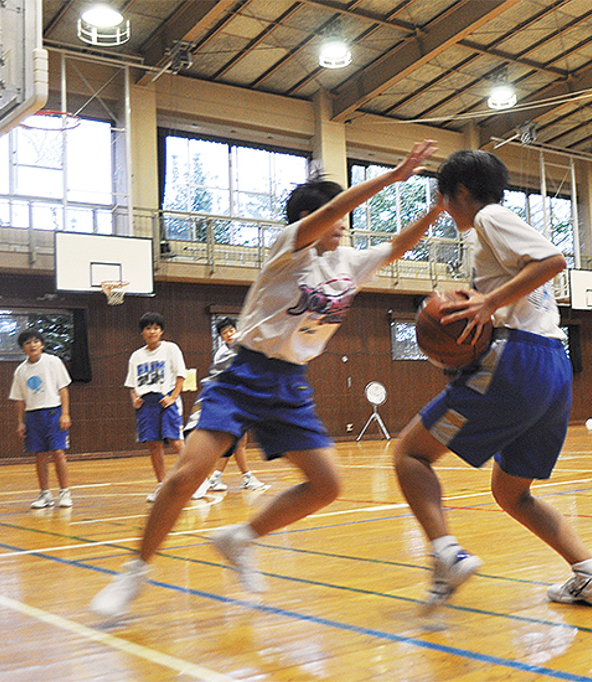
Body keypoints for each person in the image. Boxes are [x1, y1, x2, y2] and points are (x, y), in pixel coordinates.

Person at [90, 139, 441, 620]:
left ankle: (241, 538)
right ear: (313, 219)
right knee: (187, 475)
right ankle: (134, 572)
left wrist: (436, 208)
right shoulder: (289, 248)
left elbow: (401, 245)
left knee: (327, 485)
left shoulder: (349, 263)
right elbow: (339, 205)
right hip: (243, 372)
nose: (345, 222)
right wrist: (393, 176)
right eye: (337, 216)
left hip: (291, 381)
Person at [392, 149, 592, 611]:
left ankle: (446, 553)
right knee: (511, 492)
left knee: (410, 454)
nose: (445, 208)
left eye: (444, 198)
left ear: (458, 192)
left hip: (517, 361)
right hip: (552, 366)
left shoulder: (490, 217)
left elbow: (553, 261)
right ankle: (591, 576)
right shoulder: (489, 230)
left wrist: (487, 303)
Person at [189, 319, 268, 494]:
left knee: (239, 442)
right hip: (229, 401)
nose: (230, 334)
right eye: (226, 333)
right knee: (231, 441)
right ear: (222, 337)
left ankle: (221, 476)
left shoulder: (244, 347)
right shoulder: (223, 355)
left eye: (232, 330)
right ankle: (205, 478)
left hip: (242, 399)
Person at [126, 312, 188, 502]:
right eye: (148, 328)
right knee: (154, 445)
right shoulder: (136, 356)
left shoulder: (171, 349)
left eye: (155, 328)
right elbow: (131, 384)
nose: (152, 331)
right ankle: (162, 484)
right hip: (147, 403)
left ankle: (197, 480)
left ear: (161, 331)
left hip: (166, 400)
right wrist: (134, 398)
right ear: (142, 332)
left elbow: (180, 375)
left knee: (176, 441)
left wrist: (173, 396)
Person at [10, 331, 74, 508]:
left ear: (42, 344)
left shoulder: (53, 362)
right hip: (33, 415)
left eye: (36, 341)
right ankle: (44, 494)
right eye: (28, 343)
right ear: (23, 348)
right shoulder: (21, 371)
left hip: (53, 412)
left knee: (58, 452)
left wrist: (65, 413)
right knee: (40, 456)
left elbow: (63, 389)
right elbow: (18, 399)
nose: (32, 345)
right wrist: (20, 422)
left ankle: (64, 492)